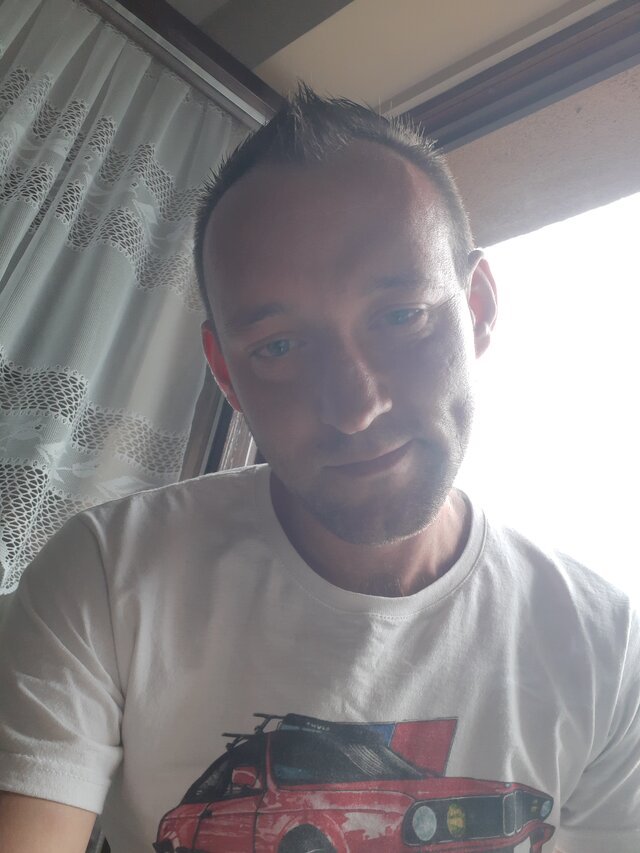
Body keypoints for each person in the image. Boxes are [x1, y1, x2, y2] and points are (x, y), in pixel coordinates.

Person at [0, 87, 638, 853]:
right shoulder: (109, 576)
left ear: (476, 307)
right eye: (278, 346)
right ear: (227, 375)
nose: (354, 407)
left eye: (400, 315)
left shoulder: (606, 646)